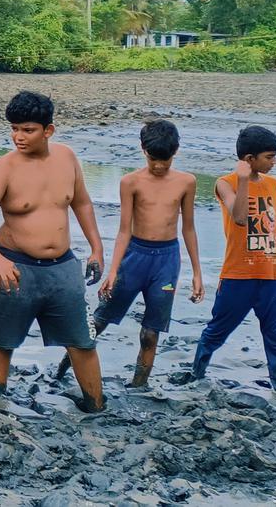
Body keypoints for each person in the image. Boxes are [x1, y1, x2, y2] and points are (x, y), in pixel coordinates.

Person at [0, 91, 107, 412]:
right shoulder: (5, 168)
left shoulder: (67, 158)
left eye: (28, 129)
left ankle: (96, 405)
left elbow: (82, 203)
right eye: (14, 129)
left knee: (82, 342)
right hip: (16, 269)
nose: (18, 137)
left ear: (49, 130)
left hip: (63, 268)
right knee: (2, 342)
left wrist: (97, 248)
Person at [55, 119, 203, 388]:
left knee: (151, 331)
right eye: (153, 159)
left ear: (176, 152)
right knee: (100, 320)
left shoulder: (187, 182)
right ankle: (63, 369)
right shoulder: (130, 182)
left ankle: (139, 384)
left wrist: (197, 273)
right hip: (135, 257)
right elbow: (124, 230)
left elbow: (189, 228)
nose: (159, 166)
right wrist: (112, 271)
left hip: (167, 261)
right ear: (143, 150)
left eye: (165, 160)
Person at [182, 126, 276, 391]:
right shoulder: (224, 183)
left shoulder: (273, 185)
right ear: (249, 159)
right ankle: (196, 375)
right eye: (269, 156)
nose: (274, 162)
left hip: (272, 275)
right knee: (216, 332)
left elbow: (274, 228)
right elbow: (240, 218)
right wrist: (242, 181)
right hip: (238, 275)